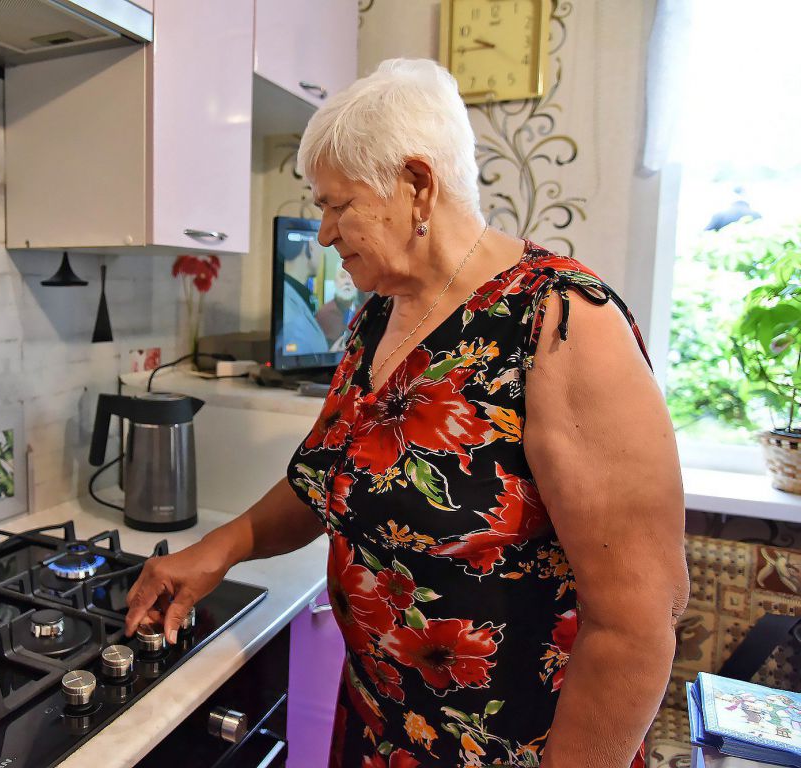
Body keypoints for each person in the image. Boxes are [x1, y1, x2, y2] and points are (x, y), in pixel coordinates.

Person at [125, 58, 688, 768]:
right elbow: (327, 479)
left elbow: (639, 623)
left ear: (417, 185)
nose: (323, 234)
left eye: (338, 205)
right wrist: (219, 549)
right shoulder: (378, 317)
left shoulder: (559, 322)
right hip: (378, 729)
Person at [278, 234, 329, 356]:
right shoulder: (288, 303)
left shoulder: (297, 295)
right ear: (311, 247)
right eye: (321, 246)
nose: (321, 254)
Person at [316, 265, 365, 347]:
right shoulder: (323, 314)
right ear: (335, 281)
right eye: (343, 276)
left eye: (351, 277)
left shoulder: (363, 313)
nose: (347, 282)